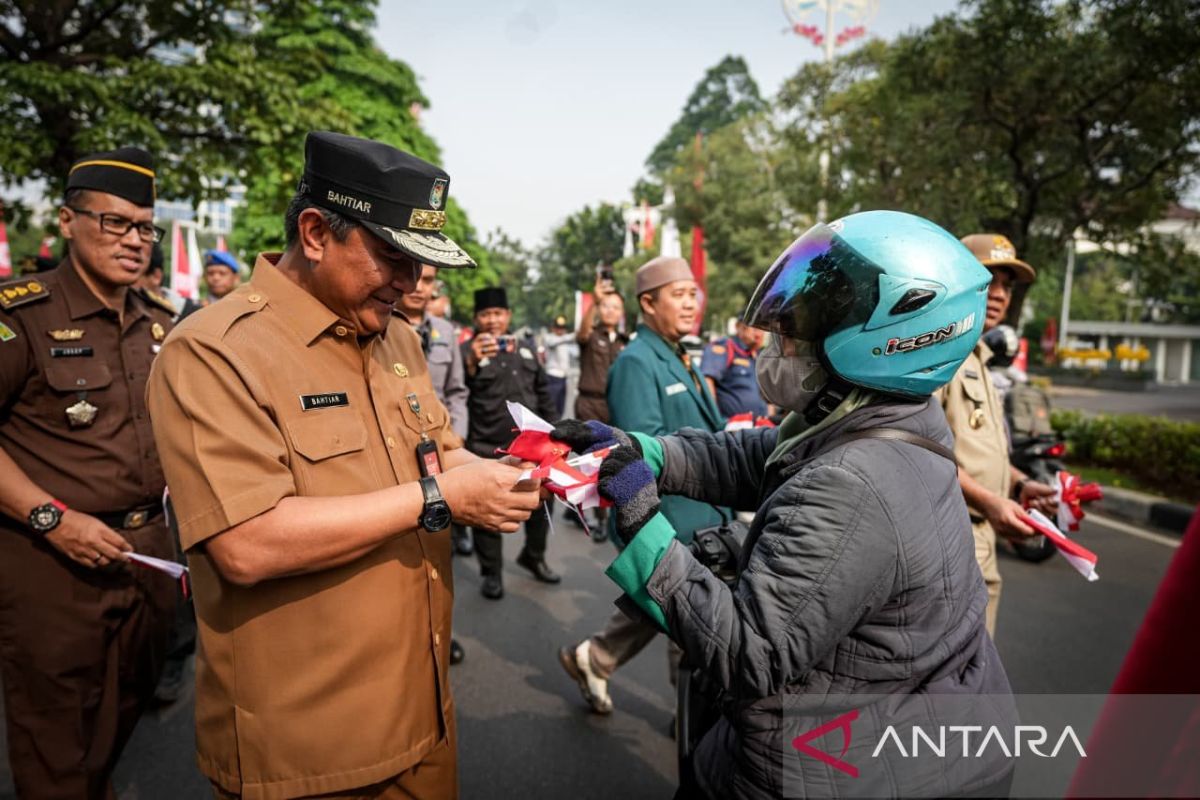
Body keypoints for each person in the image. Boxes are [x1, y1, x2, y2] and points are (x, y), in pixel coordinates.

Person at [553, 211, 1016, 798]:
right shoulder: (883, 415)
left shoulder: (853, 483)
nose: (781, 344)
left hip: (829, 768)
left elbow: (748, 653)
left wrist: (644, 524)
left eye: (798, 330)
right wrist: (643, 450)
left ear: (882, 340)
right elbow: (758, 457)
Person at [147, 131, 543, 799]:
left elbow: (438, 449)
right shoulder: (213, 353)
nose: (411, 284)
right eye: (392, 256)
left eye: (420, 265)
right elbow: (246, 542)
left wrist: (522, 473)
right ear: (314, 232)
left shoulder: (396, 338)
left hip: (423, 716)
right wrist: (440, 494)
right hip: (312, 753)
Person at [0, 147, 179, 799]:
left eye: (144, 227)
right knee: (54, 750)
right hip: (52, 564)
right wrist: (50, 518)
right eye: (114, 222)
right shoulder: (22, 314)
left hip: (147, 560)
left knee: (117, 722)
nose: (133, 240)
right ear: (69, 221)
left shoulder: (161, 325)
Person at [559, 256, 729, 715]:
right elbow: (642, 456)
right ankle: (696, 730)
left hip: (700, 519)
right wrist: (663, 544)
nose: (692, 304)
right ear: (648, 304)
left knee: (667, 614)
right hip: (673, 522)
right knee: (693, 630)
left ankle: (595, 658)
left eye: (693, 293)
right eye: (679, 295)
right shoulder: (636, 362)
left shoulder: (677, 354)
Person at [936, 233, 1057, 637]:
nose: (1000, 294)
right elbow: (919, 453)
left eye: (1007, 284)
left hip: (982, 537)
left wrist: (1020, 484)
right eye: (989, 280)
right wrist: (989, 501)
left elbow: (978, 450)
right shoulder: (941, 352)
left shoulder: (981, 359)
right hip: (951, 537)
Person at [462, 286, 561, 599]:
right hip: (487, 447)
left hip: (532, 447)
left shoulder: (526, 349)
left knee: (540, 506)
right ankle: (491, 573)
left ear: (508, 316)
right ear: (477, 318)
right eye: (486, 314)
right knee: (487, 515)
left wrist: (558, 434)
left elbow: (543, 392)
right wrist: (471, 361)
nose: (493, 320)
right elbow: (457, 391)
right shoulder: (467, 351)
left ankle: (534, 556)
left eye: (498, 313)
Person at [396, 262, 470, 664]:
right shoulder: (381, 327)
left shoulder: (444, 334)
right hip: (398, 456)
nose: (418, 287)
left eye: (427, 280)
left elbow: (457, 391)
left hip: (441, 454)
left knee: (439, 551)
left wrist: (454, 437)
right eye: (413, 276)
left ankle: (441, 630)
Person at [569, 278, 628, 541]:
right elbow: (581, 332)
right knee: (592, 461)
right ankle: (600, 520)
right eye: (605, 306)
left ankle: (586, 506)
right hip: (589, 403)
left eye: (615, 307)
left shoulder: (626, 342)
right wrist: (592, 300)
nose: (610, 311)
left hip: (613, 405)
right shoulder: (591, 336)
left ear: (621, 312)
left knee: (611, 460)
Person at [699, 318, 769, 419]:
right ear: (738, 327)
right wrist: (715, 419)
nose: (759, 333)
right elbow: (706, 381)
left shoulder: (758, 355)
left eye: (762, 329)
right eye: (754, 328)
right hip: (732, 427)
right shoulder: (726, 347)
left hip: (759, 424)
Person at [178, 249, 240, 319]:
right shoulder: (192, 310)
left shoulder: (243, 308)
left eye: (222, 273)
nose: (216, 278)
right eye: (210, 273)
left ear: (236, 278)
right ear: (204, 277)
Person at [542, 314, 574, 417]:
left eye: (562, 328)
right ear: (553, 328)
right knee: (551, 409)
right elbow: (553, 343)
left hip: (563, 378)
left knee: (560, 409)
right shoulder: (549, 338)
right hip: (552, 377)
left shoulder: (565, 341)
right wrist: (573, 335)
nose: (560, 330)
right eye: (558, 327)